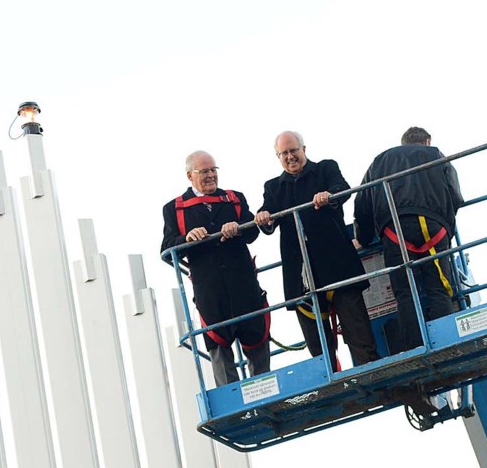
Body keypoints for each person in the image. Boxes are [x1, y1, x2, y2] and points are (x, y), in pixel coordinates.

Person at [254, 131, 380, 370]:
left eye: (294, 150)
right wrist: (263, 217)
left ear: (303, 149)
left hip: (338, 266)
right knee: (318, 345)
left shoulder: (326, 169)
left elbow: (341, 189)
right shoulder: (273, 187)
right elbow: (267, 217)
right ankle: (335, 389)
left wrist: (329, 195)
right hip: (301, 276)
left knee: (358, 332)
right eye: (284, 153)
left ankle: (373, 376)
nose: (290, 157)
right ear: (277, 156)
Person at [160, 150, 271, 386]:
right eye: (204, 171)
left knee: (257, 341)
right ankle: (233, 407)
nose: (211, 175)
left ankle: (265, 394)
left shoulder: (234, 198)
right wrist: (187, 238)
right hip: (210, 292)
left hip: (244, 286)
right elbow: (167, 250)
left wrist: (239, 226)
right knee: (219, 349)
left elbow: (253, 233)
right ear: (190, 175)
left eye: (213, 170)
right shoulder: (174, 209)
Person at [354, 126, 464, 352]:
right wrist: (446, 225)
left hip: (395, 230)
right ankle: (447, 342)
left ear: (403, 143)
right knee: (439, 289)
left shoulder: (380, 161)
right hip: (433, 227)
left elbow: (362, 203)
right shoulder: (435, 155)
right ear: (427, 141)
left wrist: (363, 238)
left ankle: (416, 349)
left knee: (405, 292)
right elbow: (455, 195)